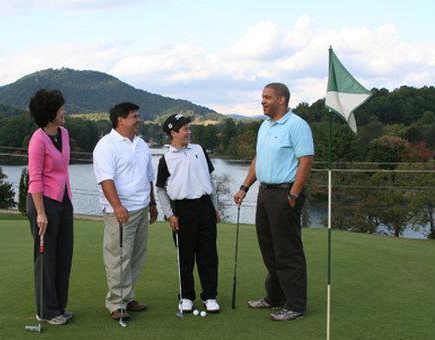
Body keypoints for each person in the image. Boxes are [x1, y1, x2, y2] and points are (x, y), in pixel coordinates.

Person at [233, 82, 314, 321]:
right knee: (268, 248)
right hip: (265, 193)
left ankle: (295, 305)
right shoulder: (264, 126)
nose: (263, 101)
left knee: (287, 251)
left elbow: (306, 161)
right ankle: (275, 297)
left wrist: (293, 194)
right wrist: (244, 187)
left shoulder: (297, 125)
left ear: (282, 100)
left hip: (285, 193)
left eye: (267, 97)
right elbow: (260, 158)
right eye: (262, 97)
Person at [92, 102, 158, 321]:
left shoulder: (141, 145)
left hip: (141, 208)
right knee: (118, 257)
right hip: (120, 212)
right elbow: (105, 179)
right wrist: (117, 206)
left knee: (136, 257)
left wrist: (152, 203)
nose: (138, 119)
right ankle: (115, 303)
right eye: (134, 116)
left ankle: (128, 297)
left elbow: (149, 177)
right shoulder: (106, 145)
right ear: (120, 119)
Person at [156, 114, 221, 314]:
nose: (188, 131)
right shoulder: (166, 159)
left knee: (208, 255)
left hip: (205, 207)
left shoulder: (199, 150)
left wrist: (215, 207)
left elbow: (211, 181)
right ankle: (186, 297)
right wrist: (169, 215)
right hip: (182, 210)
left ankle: (210, 296)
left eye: (188, 128)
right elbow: (160, 189)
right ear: (173, 133)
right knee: (184, 256)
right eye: (184, 128)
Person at [26, 89, 74, 325]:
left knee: (64, 255)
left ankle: (59, 307)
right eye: (60, 108)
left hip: (64, 200)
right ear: (49, 113)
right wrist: (41, 213)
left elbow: (63, 170)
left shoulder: (63, 134)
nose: (64, 112)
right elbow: (34, 179)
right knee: (47, 259)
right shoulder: (37, 140)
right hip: (42, 202)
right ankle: (46, 311)